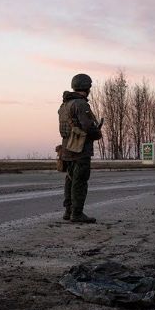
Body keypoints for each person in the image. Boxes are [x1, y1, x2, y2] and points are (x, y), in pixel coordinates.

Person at [58, 73, 103, 223]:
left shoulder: (64, 105)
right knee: (80, 181)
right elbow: (87, 126)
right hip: (80, 149)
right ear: (87, 87)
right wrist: (97, 133)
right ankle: (77, 214)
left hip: (67, 149)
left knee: (70, 179)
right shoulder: (81, 104)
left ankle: (68, 211)